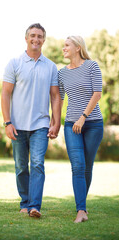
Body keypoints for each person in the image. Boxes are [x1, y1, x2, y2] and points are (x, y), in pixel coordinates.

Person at [1, 23, 61, 218]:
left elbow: (55, 96)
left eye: (40, 36)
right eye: (33, 35)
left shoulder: (51, 66)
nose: (36, 39)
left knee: (37, 163)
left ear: (44, 40)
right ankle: (25, 202)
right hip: (17, 126)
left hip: (40, 126)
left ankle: (34, 206)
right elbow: (5, 94)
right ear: (26, 38)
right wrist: (7, 122)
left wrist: (55, 121)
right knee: (20, 166)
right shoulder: (14, 63)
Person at [58, 36, 103, 223]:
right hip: (70, 124)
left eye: (67, 45)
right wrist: (55, 122)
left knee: (87, 167)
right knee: (77, 165)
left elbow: (97, 93)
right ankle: (81, 210)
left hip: (92, 123)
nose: (63, 48)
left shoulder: (92, 66)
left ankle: (82, 208)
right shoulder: (61, 73)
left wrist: (83, 118)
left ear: (78, 47)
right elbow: (59, 99)